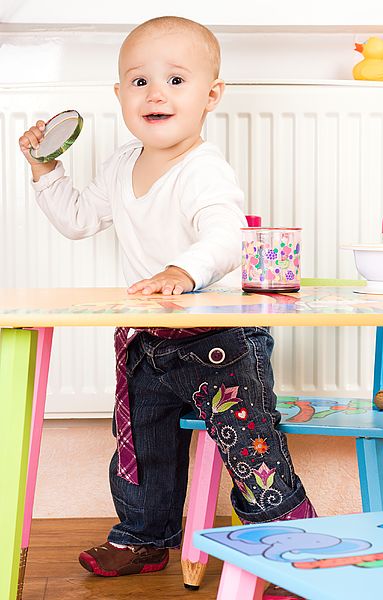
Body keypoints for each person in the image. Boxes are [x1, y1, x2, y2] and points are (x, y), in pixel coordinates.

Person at [19, 15, 316, 595]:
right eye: (139, 81)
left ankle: (285, 543)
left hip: (216, 344)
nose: (155, 92)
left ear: (211, 96)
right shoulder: (121, 163)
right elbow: (79, 220)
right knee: (140, 441)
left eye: (176, 80)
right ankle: (144, 536)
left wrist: (185, 269)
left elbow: (228, 237)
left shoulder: (204, 168)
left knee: (248, 443)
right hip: (148, 337)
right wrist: (45, 169)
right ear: (119, 96)